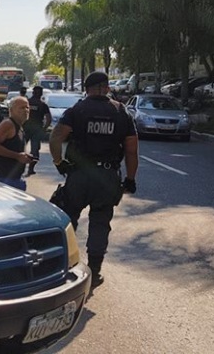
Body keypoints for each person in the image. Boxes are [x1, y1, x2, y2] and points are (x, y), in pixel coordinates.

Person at [49, 71, 139, 289]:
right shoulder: (121, 112)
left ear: (87, 88)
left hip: (79, 175)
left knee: (68, 219)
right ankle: (95, 271)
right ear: (106, 88)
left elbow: (56, 136)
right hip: (107, 178)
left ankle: (64, 266)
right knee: (100, 223)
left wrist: (59, 162)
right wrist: (130, 179)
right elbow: (131, 150)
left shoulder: (77, 110)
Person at [0, 96, 34, 190]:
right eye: (21, 108)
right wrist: (17, 156)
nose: (26, 110)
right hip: (3, 178)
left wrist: (25, 156)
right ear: (11, 110)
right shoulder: (8, 124)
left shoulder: (19, 126)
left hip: (15, 178)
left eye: (27, 107)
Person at [24, 85, 51, 175]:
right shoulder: (43, 105)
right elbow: (48, 119)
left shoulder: (26, 102)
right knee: (34, 150)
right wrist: (44, 129)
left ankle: (18, 167)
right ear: (41, 94)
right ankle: (30, 169)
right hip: (37, 130)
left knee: (20, 147)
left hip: (25, 128)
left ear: (32, 93)